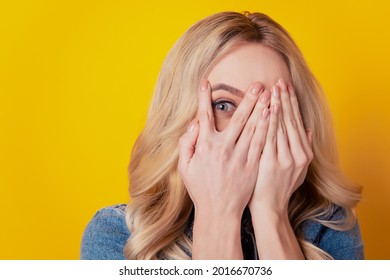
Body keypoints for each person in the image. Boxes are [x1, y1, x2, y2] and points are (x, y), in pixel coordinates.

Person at [80, 11, 364, 260]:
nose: (252, 127)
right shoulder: (118, 236)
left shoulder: (330, 229)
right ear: (181, 117)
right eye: (224, 105)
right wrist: (218, 212)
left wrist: (270, 213)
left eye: (270, 106)